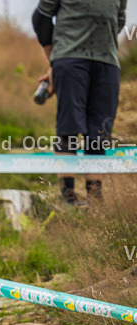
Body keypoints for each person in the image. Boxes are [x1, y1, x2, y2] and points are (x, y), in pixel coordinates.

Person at [33, 0, 127, 205]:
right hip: (70, 59)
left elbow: (119, 21)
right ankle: (68, 197)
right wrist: (55, 61)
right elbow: (41, 18)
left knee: (100, 131)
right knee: (69, 127)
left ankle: (95, 199)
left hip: (107, 62)